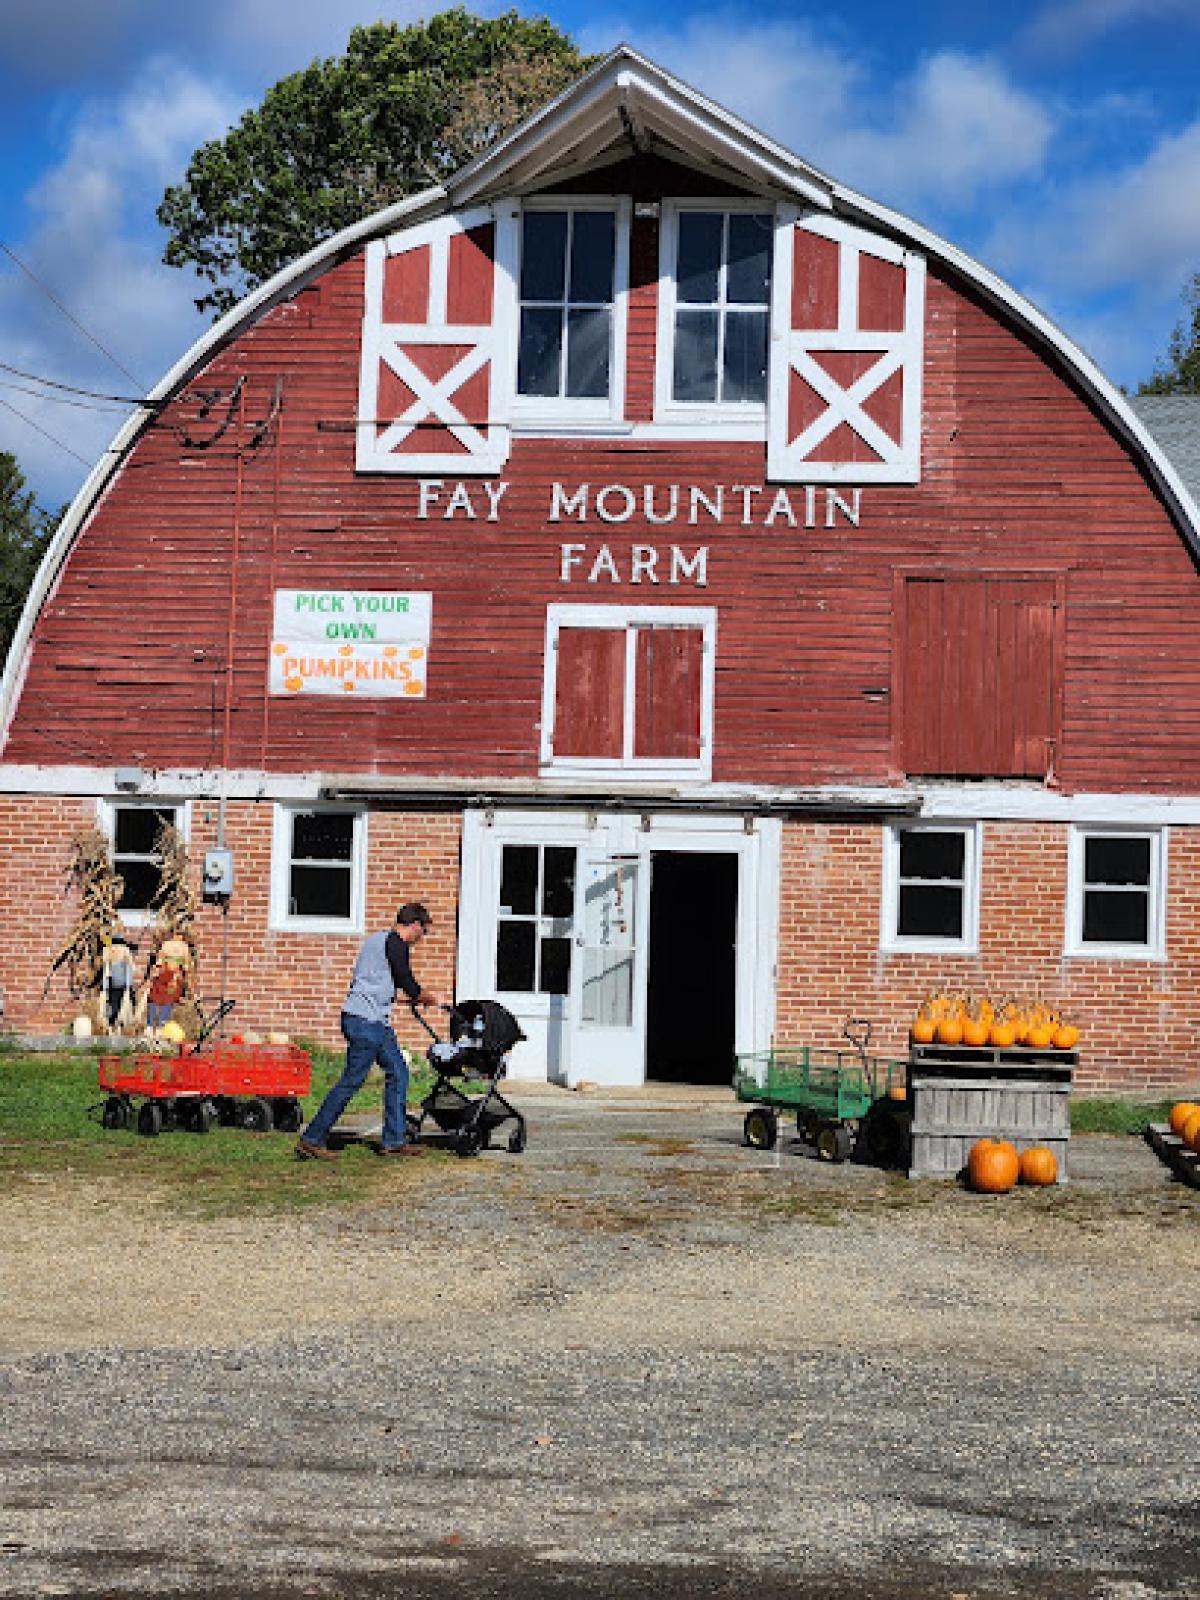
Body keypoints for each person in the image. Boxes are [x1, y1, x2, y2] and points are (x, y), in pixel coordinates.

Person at [296, 903, 440, 1161]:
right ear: (415, 925)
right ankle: (312, 1139)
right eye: (424, 932)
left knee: (398, 1072)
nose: (422, 938)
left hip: (372, 1020)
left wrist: (407, 1000)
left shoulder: (376, 940)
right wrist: (423, 996)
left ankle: (394, 1141)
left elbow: (375, 982)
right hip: (366, 1022)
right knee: (351, 1081)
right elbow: (405, 978)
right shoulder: (397, 943)